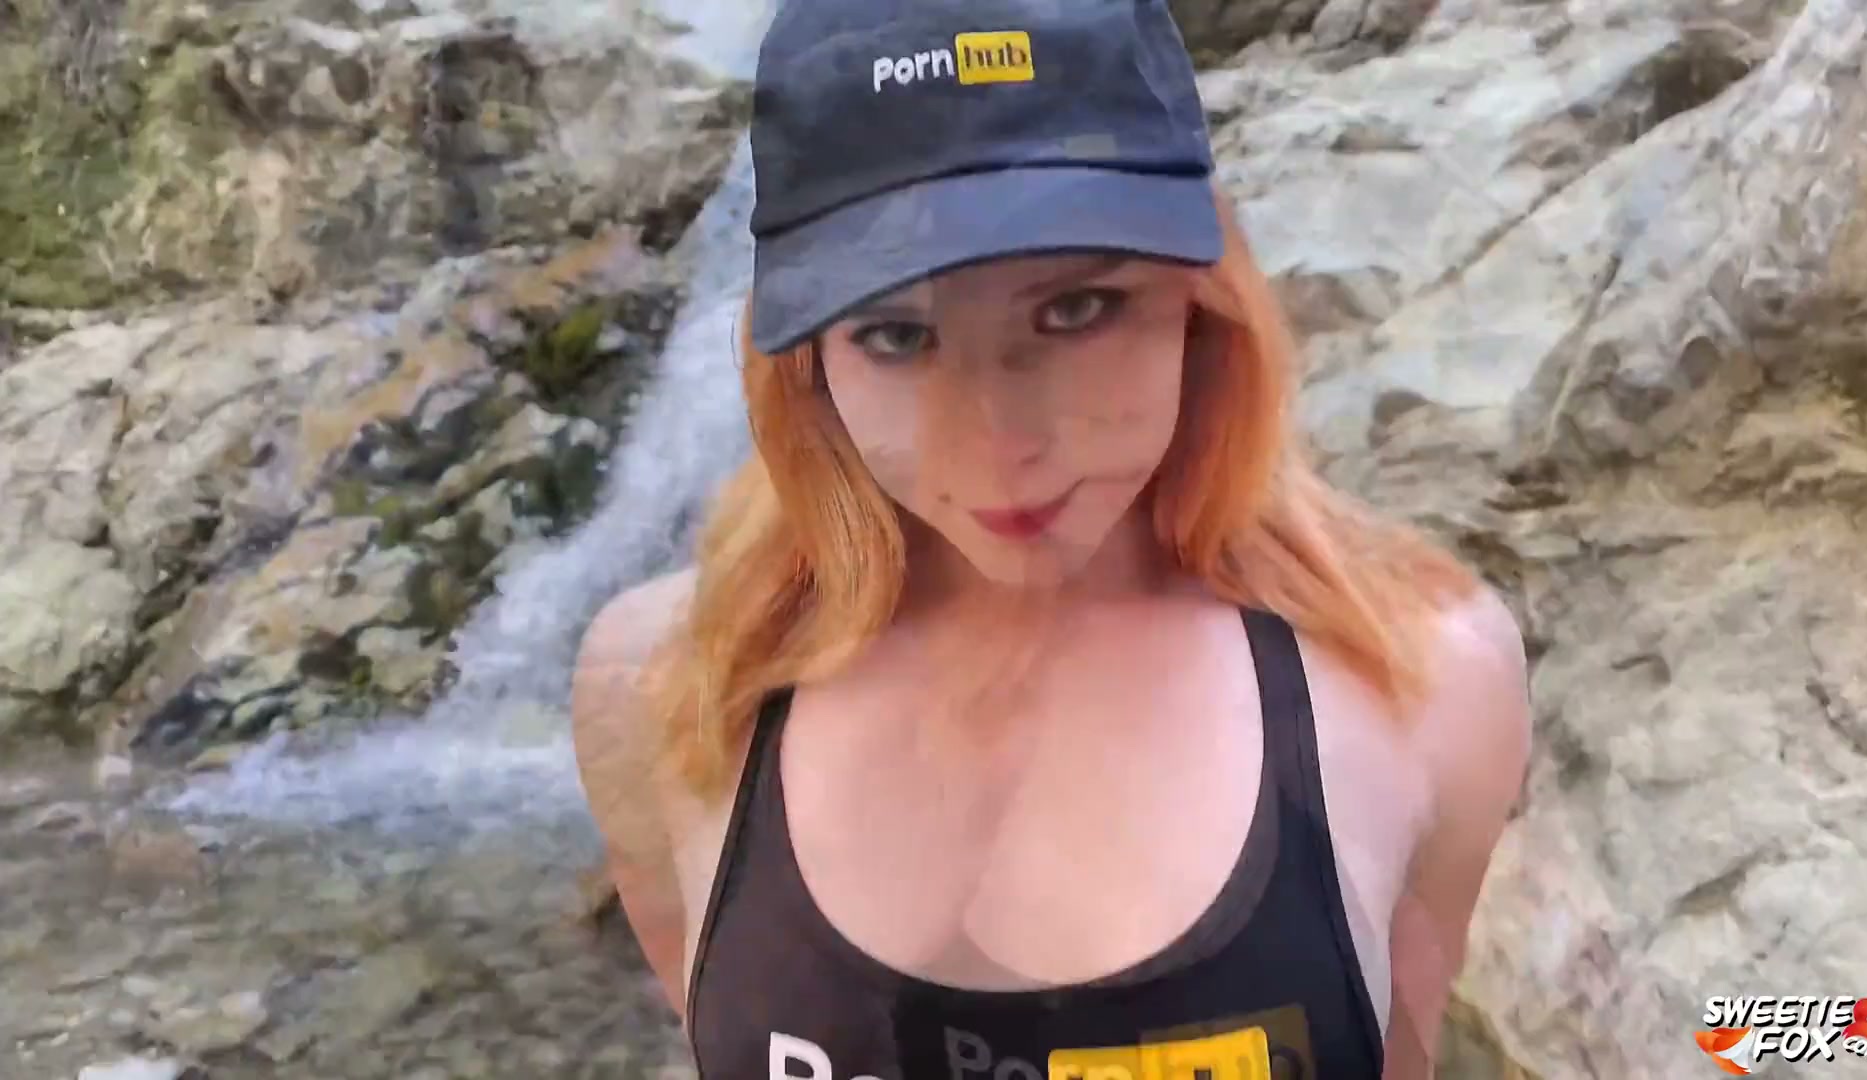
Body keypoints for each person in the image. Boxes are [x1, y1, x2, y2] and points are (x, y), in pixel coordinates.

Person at [572, 0, 1533, 1077]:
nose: (998, 444)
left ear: (1206, 301)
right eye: (896, 334)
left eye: (1077, 310)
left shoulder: (1428, 682)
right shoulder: (672, 689)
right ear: (804, 365)